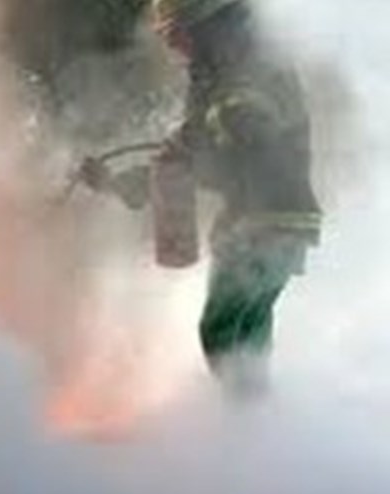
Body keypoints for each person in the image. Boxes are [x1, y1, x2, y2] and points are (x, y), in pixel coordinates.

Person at [80, 0, 322, 399]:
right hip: (284, 225)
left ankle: (243, 414)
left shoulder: (242, 70)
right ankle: (258, 414)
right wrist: (110, 182)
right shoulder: (218, 76)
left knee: (221, 329)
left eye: (175, 33)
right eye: (165, 36)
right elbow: (179, 164)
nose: (172, 46)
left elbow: (247, 142)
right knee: (247, 330)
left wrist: (216, 137)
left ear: (202, 24)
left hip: (261, 224)